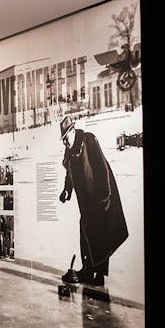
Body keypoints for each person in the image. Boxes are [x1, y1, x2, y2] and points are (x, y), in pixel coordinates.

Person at [58, 115, 128, 287]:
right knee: (86, 230)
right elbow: (69, 172)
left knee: (101, 233)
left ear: (72, 131)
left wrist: (104, 198)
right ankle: (88, 269)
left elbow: (102, 169)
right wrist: (67, 190)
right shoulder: (70, 149)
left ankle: (99, 275)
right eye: (63, 140)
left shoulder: (89, 141)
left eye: (66, 138)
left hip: (101, 196)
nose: (65, 143)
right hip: (86, 199)